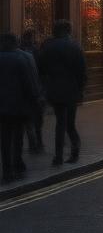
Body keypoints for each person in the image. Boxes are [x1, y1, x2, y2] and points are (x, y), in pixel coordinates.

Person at [36, 19, 86, 166]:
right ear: (68, 30)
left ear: (56, 31)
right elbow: (81, 71)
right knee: (70, 123)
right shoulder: (75, 47)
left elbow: (40, 68)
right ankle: (74, 152)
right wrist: (81, 89)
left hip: (55, 90)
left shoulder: (48, 46)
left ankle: (58, 157)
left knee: (60, 123)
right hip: (71, 90)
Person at [0, 33, 41, 183]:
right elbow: (29, 84)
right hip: (18, 106)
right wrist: (35, 101)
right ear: (14, 43)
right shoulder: (20, 59)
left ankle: (6, 171)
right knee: (17, 138)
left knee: (4, 139)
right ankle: (17, 164)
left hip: (2, 108)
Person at [19, 31, 45, 153]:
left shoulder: (19, 52)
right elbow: (40, 71)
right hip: (35, 90)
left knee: (26, 122)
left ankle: (32, 144)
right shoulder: (35, 52)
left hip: (20, 94)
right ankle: (37, 142)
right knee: (36, 120)